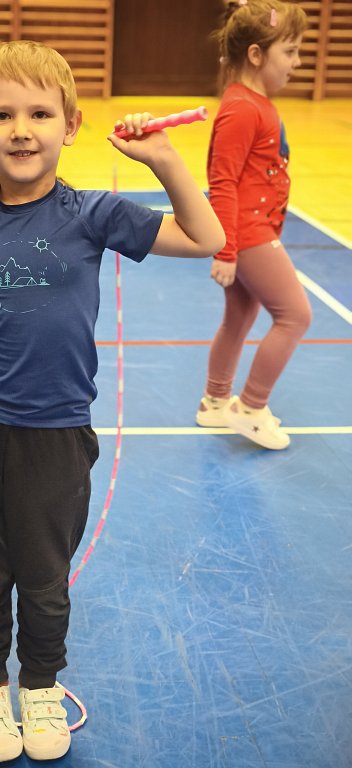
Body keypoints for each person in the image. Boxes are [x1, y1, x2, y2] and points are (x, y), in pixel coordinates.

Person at [0, 40, 224, 762]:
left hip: (55, 433)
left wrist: (164, 160)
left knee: (44, 576)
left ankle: (41, 687)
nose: (21, 130)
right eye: (1, 116)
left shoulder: (93, 213)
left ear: (71, 124)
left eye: (39, 114)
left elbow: (205, 236)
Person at [195, 0, 312, 450]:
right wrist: (226, 250)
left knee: (241, 315)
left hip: (254, 229)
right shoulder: (243, 109)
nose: (297, 63)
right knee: (295, 316)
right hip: (248, 233)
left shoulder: (255, 104)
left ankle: (215, 402)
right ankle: (251, 407)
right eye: (291, 51)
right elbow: (222, 181)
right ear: (257, 55)